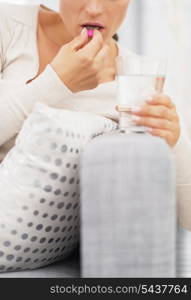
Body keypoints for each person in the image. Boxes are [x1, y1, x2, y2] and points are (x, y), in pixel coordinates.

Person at [0, 0, 190, 272]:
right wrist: (56, 82)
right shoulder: (9, 23)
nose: (93, 9)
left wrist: (174, 141)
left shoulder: (135, 79)